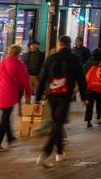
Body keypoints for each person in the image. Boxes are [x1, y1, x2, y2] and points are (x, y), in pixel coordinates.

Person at [35, 36, 87, 167]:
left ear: (59, 45)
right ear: (69, 45)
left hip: (51, 95)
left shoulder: (51, 58)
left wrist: (37, 98)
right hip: (65, 95)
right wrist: (84, 97)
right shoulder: (75, 59)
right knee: (58, 123)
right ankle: (45, 153)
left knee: (56, 122)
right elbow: (81, 79)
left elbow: (42, 79)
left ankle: (59, 152)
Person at [0, 43, 32, 152]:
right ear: (19, 53)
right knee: (4, 118)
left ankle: (10, 138)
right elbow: (25, 82)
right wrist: (28, 94)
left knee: (6, 115)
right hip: (9, 95)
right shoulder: (19, 64)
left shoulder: (0, 63)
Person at [83, 50, 101, 127]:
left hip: (90, 87)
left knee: (89, 105)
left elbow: (83, 73)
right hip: (100, 88)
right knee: (100, 103)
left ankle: (88, 121)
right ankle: (98, 118)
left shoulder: (88, 63)